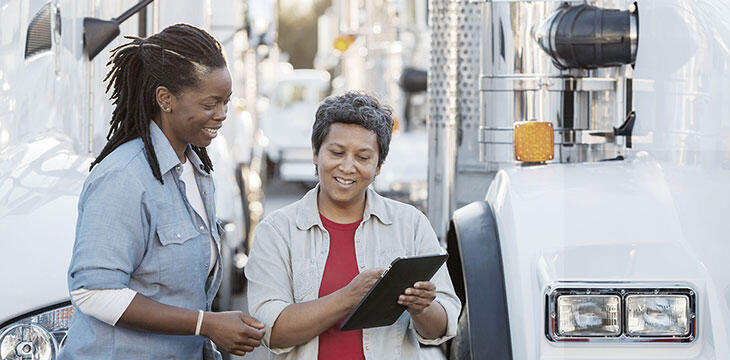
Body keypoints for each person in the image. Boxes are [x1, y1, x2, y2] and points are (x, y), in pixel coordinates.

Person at [58, 24, 264, 359]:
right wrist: (205, 324)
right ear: (165, 99)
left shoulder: (197, 170)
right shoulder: (124, 176)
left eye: (226, 102)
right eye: (211, 103)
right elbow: (93, 292)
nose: (223, 115)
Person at [245, 92, 461, 359]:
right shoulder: (277, 232)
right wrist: (348, 297)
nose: (348, 167)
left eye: (363, 157)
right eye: (336, 152)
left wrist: (422, 308)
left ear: (379, 166)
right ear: (315, 153)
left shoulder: (411, 224)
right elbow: (272, 331)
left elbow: (441, 328)